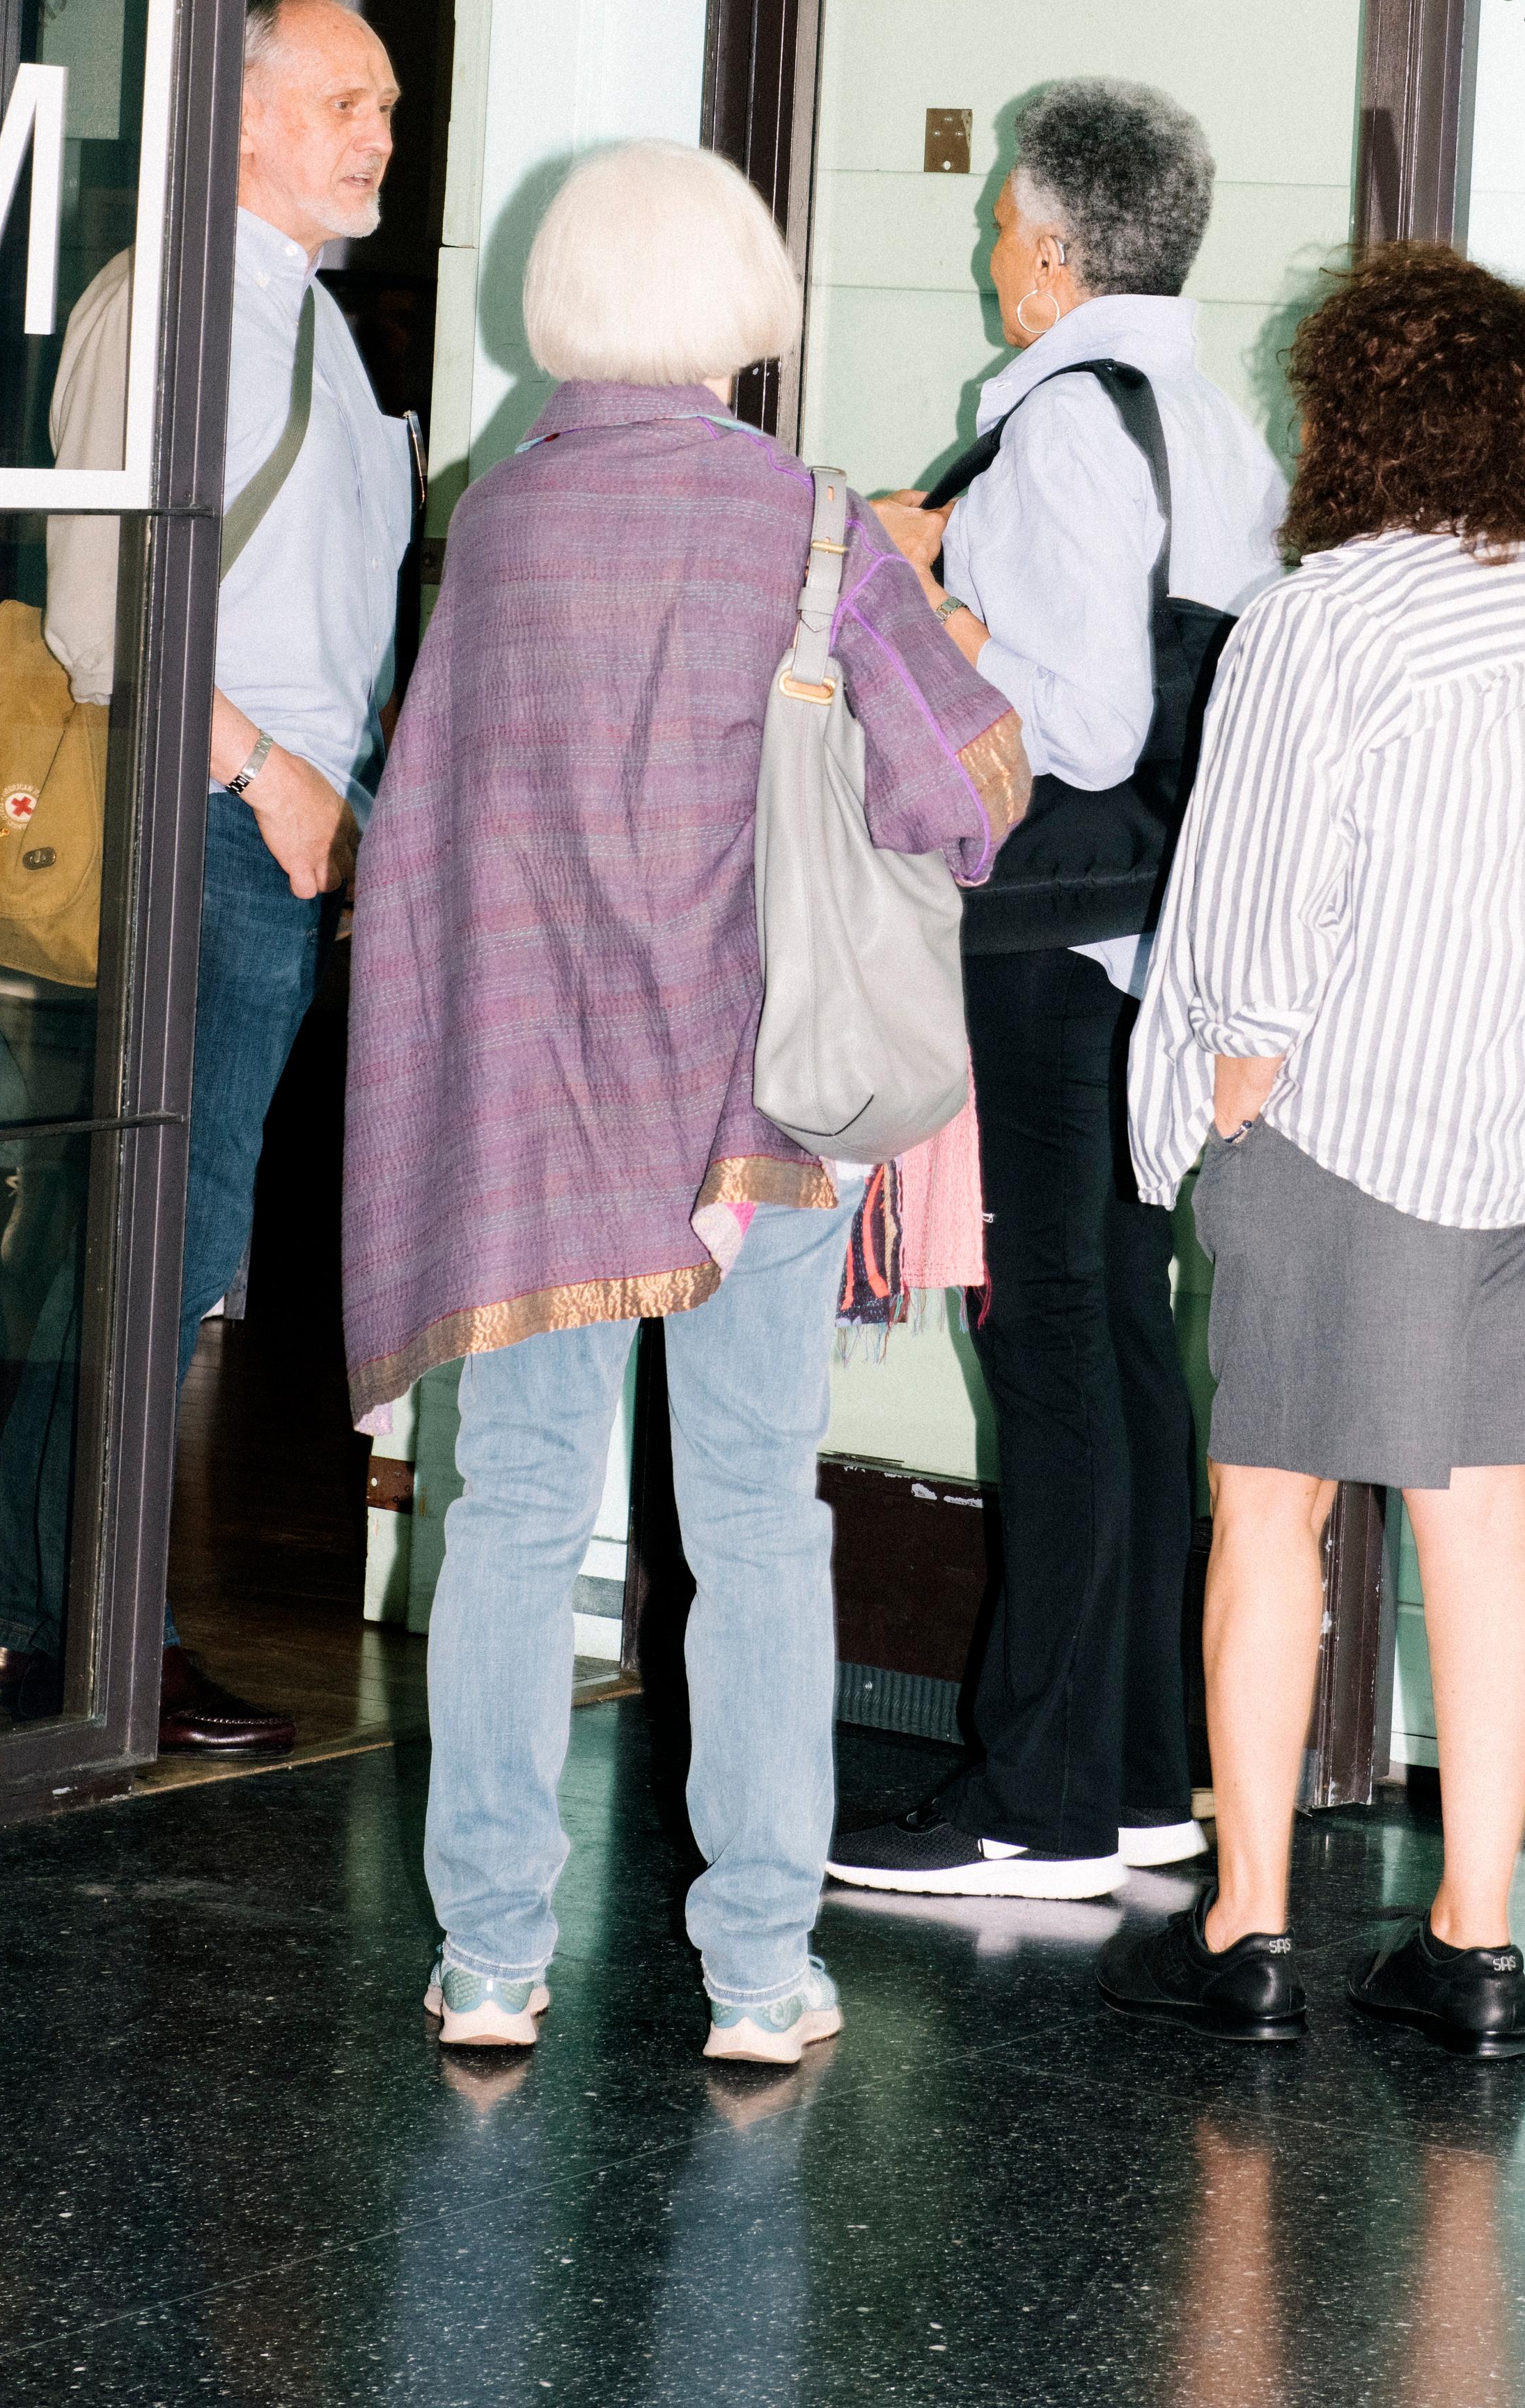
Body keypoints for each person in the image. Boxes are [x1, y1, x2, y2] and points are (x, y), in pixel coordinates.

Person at [343, 139, 1026, 2062]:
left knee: (510, 1514)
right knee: (753, 1520)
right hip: (756, 1105)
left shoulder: (494, 516)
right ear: (735, 302)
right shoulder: (810, 525)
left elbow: (444, 821)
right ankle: (755, 1973)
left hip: (536, 1111)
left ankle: (488, 1961)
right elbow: (959, 795)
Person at [1104, 242, 1525, 2053]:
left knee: (1269, 1511)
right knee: (1484, 1525)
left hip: (1360, 1130)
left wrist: (1223, 1095)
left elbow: (1259, 906)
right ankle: (1476, 1947)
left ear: (1365, 416)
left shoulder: (1324, 616)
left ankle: (1251, 1932)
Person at [825, 76, 1285, 1904]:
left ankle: (1033, 1799)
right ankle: (1140, 1770)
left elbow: (1071, 720)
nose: (984, 245)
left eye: (996, 221)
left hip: (1045, 947)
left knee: (1053, 1351)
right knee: (1117, 1346)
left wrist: (928, 601)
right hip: (1148, 951)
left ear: (1044, 249)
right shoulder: (1200, 419)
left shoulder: (1065, 431)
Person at [0, 0, 414, 1750]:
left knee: (140, 1250)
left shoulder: (295, 309)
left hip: (275, 831)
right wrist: (271, 776)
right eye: (347, 101)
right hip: (208, 822)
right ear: (235, 114)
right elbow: (103, 604)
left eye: (385, 106)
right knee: (168, 1247)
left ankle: (30, 1614)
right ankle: (105, 1641)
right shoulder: (171, 304)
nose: (381, 133)